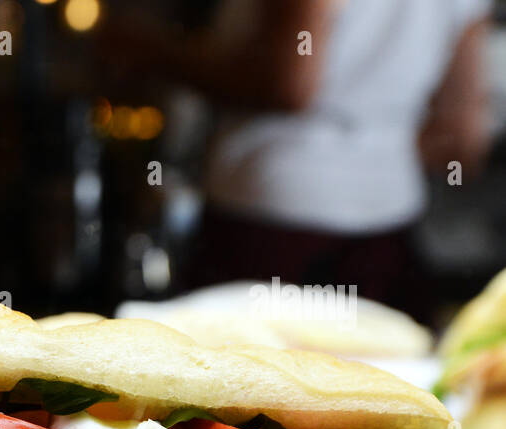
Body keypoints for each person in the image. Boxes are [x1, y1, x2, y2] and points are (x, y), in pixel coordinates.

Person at [98, 0, 491, 324]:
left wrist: (150, 50)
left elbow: (290, 83)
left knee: (235, 397)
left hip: (270, 219)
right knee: (377, 399)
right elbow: (464, 137)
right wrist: (374, 150)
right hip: (388, 224)